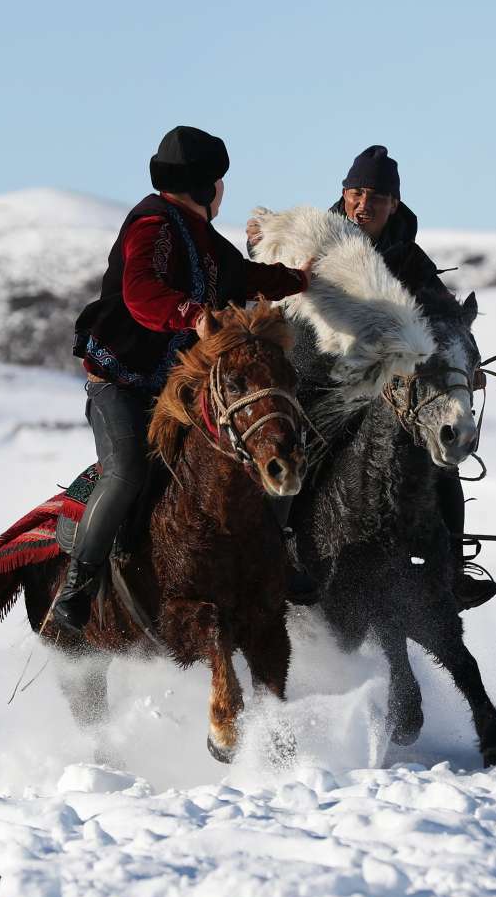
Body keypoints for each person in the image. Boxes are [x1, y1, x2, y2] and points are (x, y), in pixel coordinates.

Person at [51, 126, 312, 634]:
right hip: (120, 384)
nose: (222, 191)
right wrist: (192, 314)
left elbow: (244, 276)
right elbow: (141, 291)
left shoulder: (202, 238)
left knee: (250, 446)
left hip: (173, 387)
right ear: (202, 186)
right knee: (127, 468)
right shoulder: (151, 225)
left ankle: (272, 560)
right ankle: (78, 585)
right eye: (219, 181)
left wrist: (298, 280)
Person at [247, 145, 496, 611]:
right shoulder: (315, 239)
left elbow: (447, 318)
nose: (365, 204)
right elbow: (262, 265)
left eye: (377, 197)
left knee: (438, 455)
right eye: (356, 193)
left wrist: (472, 364)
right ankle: (277, 555)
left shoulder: (411, 260)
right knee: (291, 450)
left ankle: (453, 567)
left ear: (394, 204)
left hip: (375, 388)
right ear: (344, 195)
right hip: (309, 378)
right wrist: (254, 242)